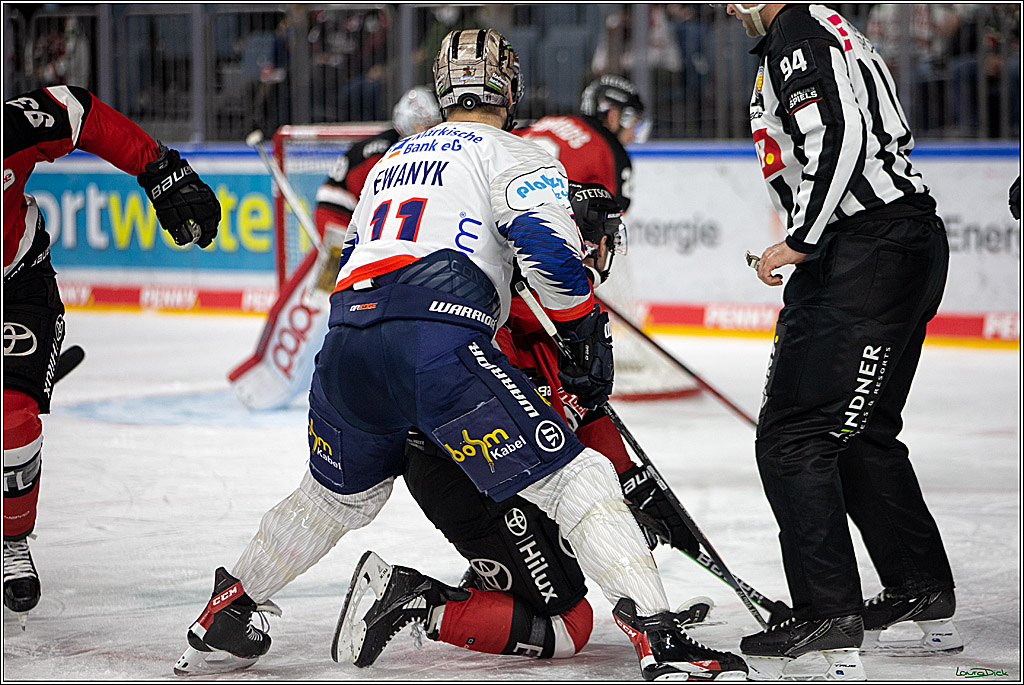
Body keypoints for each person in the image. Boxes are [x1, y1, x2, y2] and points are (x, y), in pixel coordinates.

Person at [174, 29, 747, 681]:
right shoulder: (514, 151)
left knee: (333, 498)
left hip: (346, 344)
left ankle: (225, 609)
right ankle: (661, 639)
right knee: (577, 477)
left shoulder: (391, 160)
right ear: (511, 87)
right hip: (436, 337)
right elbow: (552, 257)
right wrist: (587, 332)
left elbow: (351, 257)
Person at [334, 182, 708, 667]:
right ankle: (413, 598)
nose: (610, 248)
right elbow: (512, 432)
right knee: (570, 627)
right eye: (605, 236)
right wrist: (615, 509)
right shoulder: (504, 312)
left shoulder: (555, 317)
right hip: (466, 474)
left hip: (492, 472)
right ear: (583, 240)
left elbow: (586, 417)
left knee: (594, 527)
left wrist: (638, 487)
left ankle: (496, 581)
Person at [724, 4, 960, 680]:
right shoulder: (823, 27)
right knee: (860, 431)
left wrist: (801, 239)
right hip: (904, 241)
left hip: (863, 250)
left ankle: (828, 616)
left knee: (794, 434)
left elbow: (838, 132)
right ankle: (921, 595)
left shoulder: (796, 33)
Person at [3, 86, 220, 621]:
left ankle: (11, 539)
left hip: (17, 285)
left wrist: (160, 171)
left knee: (11, 422)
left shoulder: (11, 128)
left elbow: (79, 112)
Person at [229, 86, 442, 411]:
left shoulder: (397, 144)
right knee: (325, 294)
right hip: (339, 224)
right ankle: (276, 370)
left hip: (351, 222)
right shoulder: (386, 148)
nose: (427, 132)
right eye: (422, 125)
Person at [515, 75, 647, 212]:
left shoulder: (549, 120)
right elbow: (613, 218)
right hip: (542, 223)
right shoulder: (611, 152)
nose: (632, 136)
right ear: (613, 117)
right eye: (633, 124)